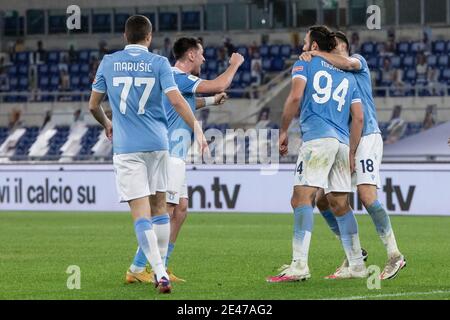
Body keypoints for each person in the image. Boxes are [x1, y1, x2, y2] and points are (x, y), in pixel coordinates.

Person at [88, 15, 208, 294]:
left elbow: (93, 105)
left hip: (127, 149)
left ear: (124, 36)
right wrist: (197, 128)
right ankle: (161, 270)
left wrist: (108, 124)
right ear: (149, 37)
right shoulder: (159, 63)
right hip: (158, 146)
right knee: (160, 210)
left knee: (140, 214)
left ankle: (159, 273)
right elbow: (177, 100)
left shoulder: (108, 62)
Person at [134, 37, 244, 282]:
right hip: (170, 154)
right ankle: (140, 268)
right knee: (165, 209)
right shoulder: (178, 76)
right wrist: (235, 64)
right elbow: (219, 83)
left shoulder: (176, 82)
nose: (204, 59)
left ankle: (162, 265)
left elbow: (189, 103)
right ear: (191, 55)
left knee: (181, 210)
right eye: (202, 54)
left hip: (177, 155)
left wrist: (214, 102)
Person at [299, 31, 406, 280]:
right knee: (323, 199)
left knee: (367, 196)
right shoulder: (333, 75)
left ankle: (395, 255)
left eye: (333, 48)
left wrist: (314, 52)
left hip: (366, 137)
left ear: (344, 47)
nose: (329, 52)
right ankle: (353, 253)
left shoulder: (356, 62)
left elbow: (347, 67)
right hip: (345, 141)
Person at [267, 25, 366, 283]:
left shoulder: (305, 64)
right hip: (342, 143)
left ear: (313, 46)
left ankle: (299, 265)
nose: (302, 46)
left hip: (318, 140)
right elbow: (358, 117)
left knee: (301, 198)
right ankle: (356, 263)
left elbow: (295, 97)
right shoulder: (349, 76)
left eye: (305, 42)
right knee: (339, 203)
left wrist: (283, 130)